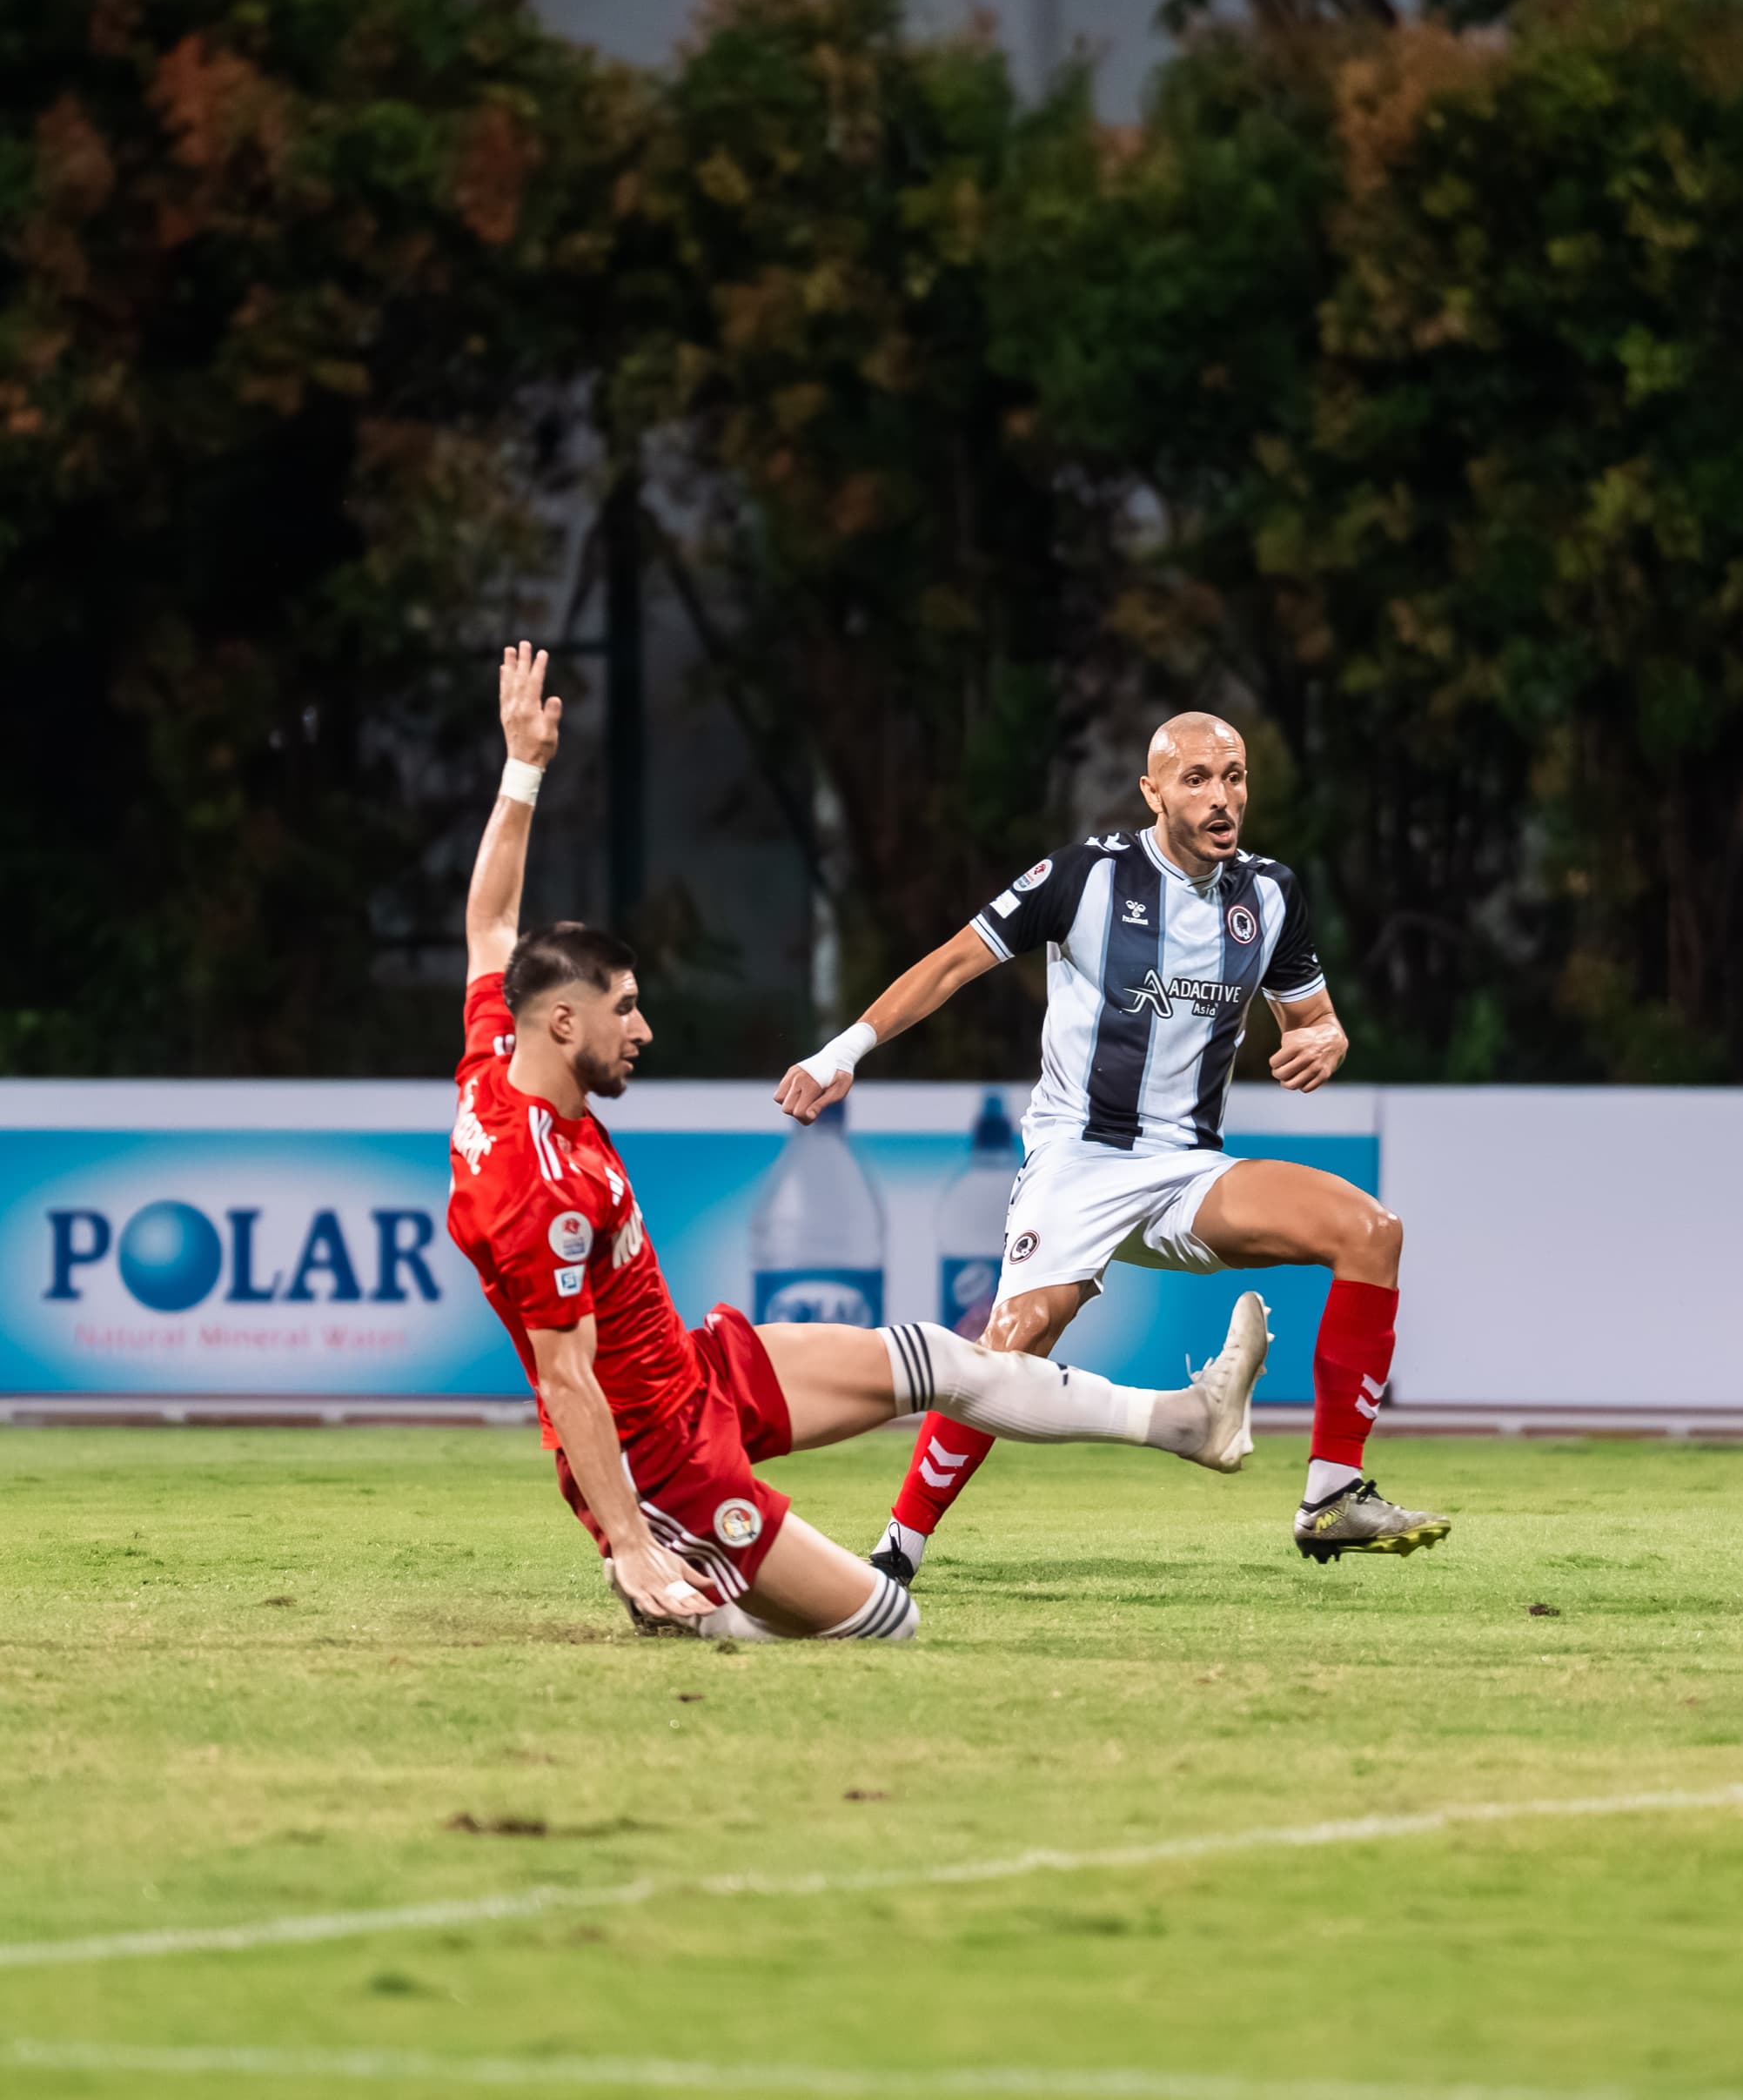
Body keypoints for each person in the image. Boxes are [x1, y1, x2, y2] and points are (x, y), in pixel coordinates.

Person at [452, 645, 1267, 1641]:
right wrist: (627, 1538)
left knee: (942, 1359)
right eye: (625, 1010)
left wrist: (523, 766)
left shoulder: (497, 1051)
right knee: (890, 1622)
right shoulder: (540, 1193)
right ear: (564, 1027)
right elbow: (569, 1385)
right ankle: (690, 1602)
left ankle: (1187, 1421)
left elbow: (490, 921)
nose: (644, 1030)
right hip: (663, 1460)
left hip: (698, 1371)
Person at [773, 710, 1447, 1578]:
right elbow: (949, 963)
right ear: (1153, 790)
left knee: (1371, 1232)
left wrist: (1329, 1039)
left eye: (1234, 776)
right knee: (1009, 1348)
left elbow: (1314, 1019)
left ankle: (1332, 1494)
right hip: (1078, 1160)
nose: (1220, 797)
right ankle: (896, 1549)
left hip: (1190, 1168)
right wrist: (843, 1052)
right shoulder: (1085, 876)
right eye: (1197, 778)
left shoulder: (1270, 894)